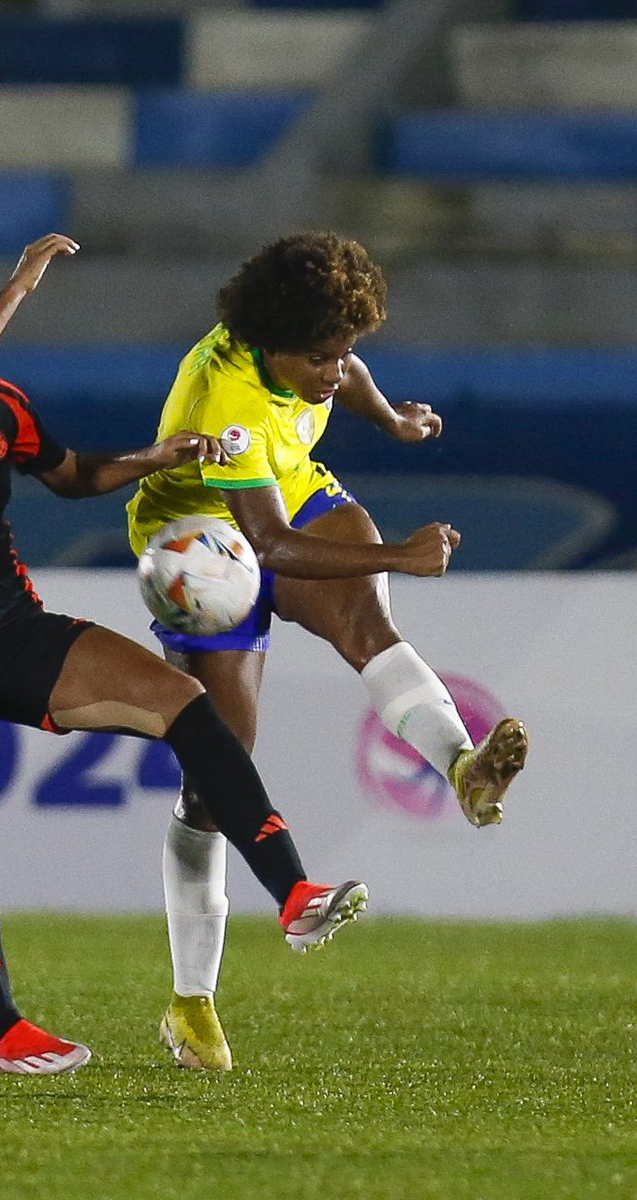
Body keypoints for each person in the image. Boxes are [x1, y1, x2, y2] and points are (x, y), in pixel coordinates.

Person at [0, 232, 373, 1077]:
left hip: (14, 631)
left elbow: (73, 473)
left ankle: (296, 895)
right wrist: (19, 286)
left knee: (189, 709)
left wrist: (159, 456)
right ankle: (8, 1031)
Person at [126, 231, 529, 1072]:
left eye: (343, 350)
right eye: (317, 356)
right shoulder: (226, 401)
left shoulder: (312, 352)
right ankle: (190, 1002)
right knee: (218, 775)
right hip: (199, 543)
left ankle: (461, 767)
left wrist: (390, 418)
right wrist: (397, 556)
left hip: (288, 487)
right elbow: (267, 547)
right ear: (271, 342)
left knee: (367, 628)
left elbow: (345, 375)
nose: (332, 369)